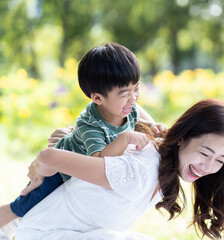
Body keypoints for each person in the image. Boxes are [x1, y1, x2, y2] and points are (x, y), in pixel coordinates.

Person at [12, 99, 224, 240]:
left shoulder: (165, 154)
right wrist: (39, 173)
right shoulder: (138, 171)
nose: (208, 167)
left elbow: (130, 100)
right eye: (205, 153)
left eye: (220, 160)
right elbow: (49, 156)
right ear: (183, 138)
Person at [0, 42, 167, 239]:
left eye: (136, 89)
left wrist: (156, 128)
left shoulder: (128, 109)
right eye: (124, 94)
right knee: (25, 203)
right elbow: (97, 161)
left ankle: (16, 222)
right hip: (60, 170)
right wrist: (126, 137)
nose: (133, 98)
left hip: (80, 175)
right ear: (97, 98)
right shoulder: (91, 127)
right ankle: (7, 222)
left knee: (42, 207)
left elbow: (148, 126)